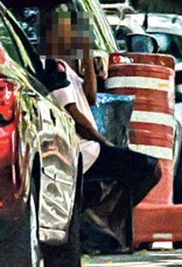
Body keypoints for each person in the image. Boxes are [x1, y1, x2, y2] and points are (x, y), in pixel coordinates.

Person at [40, 11, 162, 207]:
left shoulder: (67, 68)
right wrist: (104, 143)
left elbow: (90, 97)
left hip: (91, 148)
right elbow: (77, 118)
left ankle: (111, 212)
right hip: (86, 151)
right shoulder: (53, 69)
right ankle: (112, 213)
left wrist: (87, 60)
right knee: (151, 167)